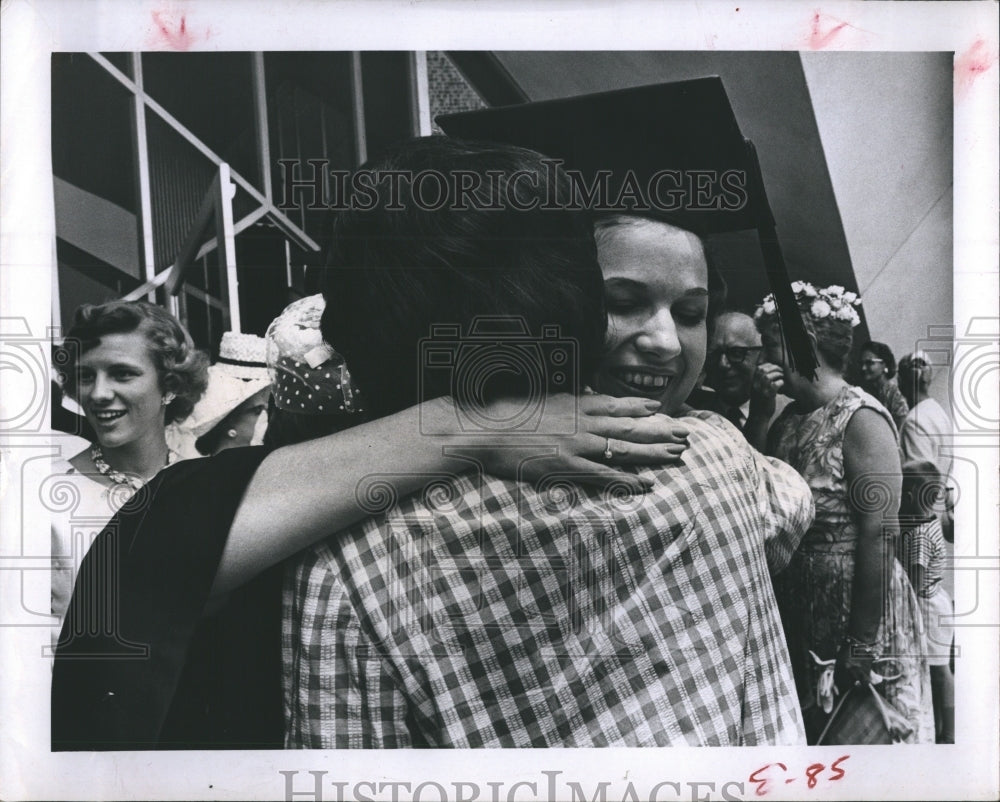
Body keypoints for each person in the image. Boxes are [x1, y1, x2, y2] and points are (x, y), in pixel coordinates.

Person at [283, 135, 814, 747]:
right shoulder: (715, 459)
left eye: (692, 313)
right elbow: (789, 500)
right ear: (566, 303)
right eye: (621, 301)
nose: (666, 341)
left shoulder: (342, 565)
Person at [755, 281, 935, 743]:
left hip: (860, 607)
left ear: (803, 346)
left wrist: (861, 641)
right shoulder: (786, 420)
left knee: (869, 734)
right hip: (806, 607)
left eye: (773, 346)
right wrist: (758, 415)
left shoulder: (863, 419)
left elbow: (881, 531)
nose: (765, 360)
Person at [50, 301, 208, 632]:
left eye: (123, 373)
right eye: (85, 376)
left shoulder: (208, 483)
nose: (99, 393)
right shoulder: (48, 497)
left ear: (171, 385)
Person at [897, 460, 954, 743]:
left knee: (939, 671)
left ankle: (949, 733)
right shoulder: (929, 523)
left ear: (907, 497)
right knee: (938, 669)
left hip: (928, 607)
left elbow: (914, 583)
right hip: (936, 600)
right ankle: (944, 728)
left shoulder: (919, 536)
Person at [690, 310, 788, 446]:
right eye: (714, 354)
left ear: (761, 353)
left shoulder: (787, 413)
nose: (722, 364)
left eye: (736, 353)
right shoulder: (695, 414)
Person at [169, 332, 272, 459]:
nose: (266, 418)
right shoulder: (198, 471)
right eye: (257, 410)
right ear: (230, 422)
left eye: (266, 409)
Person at [897, 350, 955, 543]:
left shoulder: (914, 421)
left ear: (901, 382)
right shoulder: (937, 411)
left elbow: (921, 485)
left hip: (923, 526)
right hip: (938, 518)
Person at [857, 340, 909, 433]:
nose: (863, 368)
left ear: (884, 364)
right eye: (862, 363)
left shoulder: (895, 393)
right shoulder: (871, 393)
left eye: (869, 363)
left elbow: (902, 429)